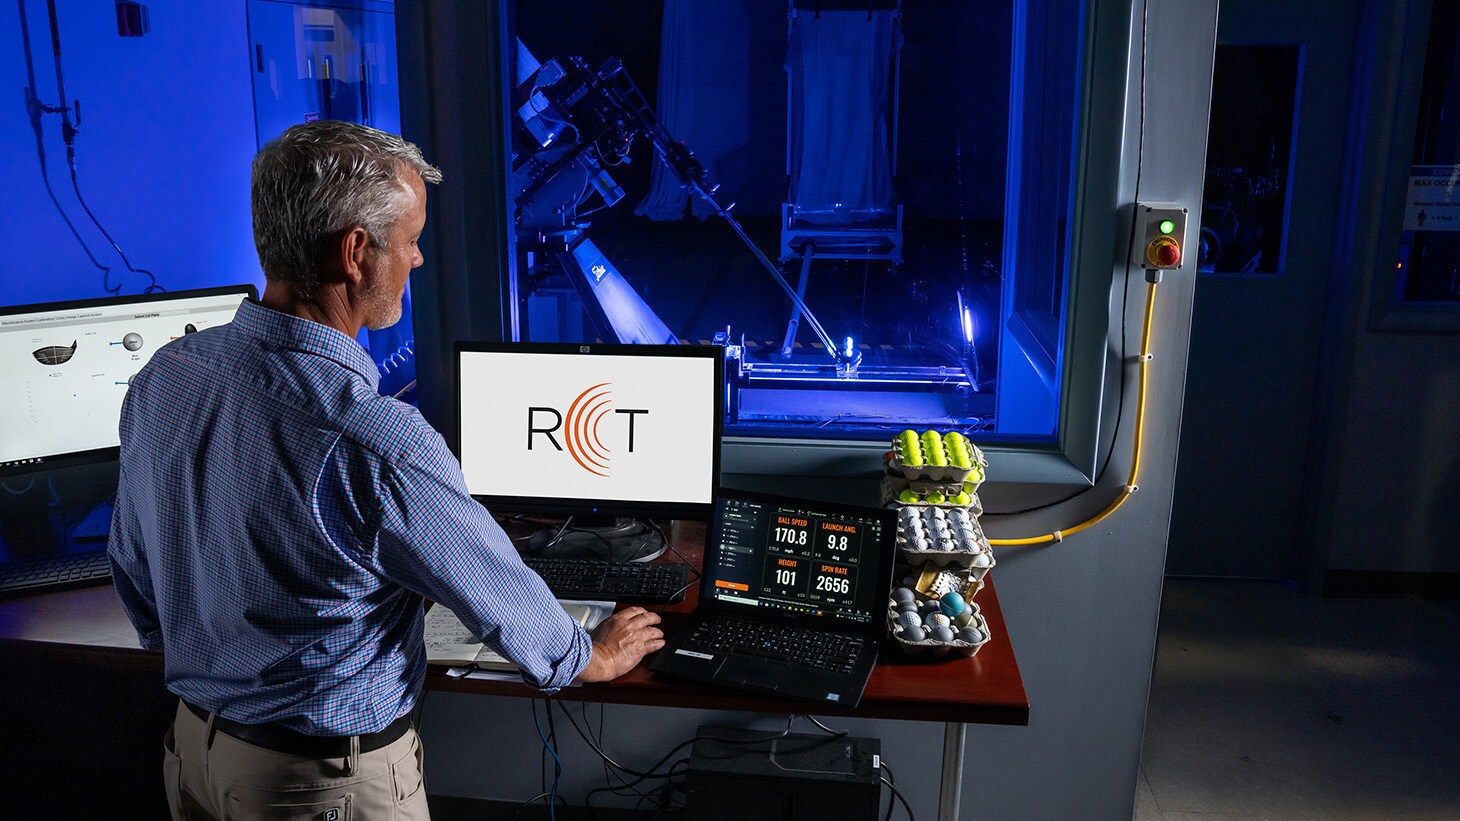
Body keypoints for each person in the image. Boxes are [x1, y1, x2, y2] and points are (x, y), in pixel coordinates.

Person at [107, 120, 665, 821]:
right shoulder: (376, 440)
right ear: (355, 252)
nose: (419, 258)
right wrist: (591, 657)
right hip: (316, 787)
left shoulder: (166, 377)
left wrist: (214, 667)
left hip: (194, 752)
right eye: (410, 239)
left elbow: (134, 568)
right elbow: (499, 594)